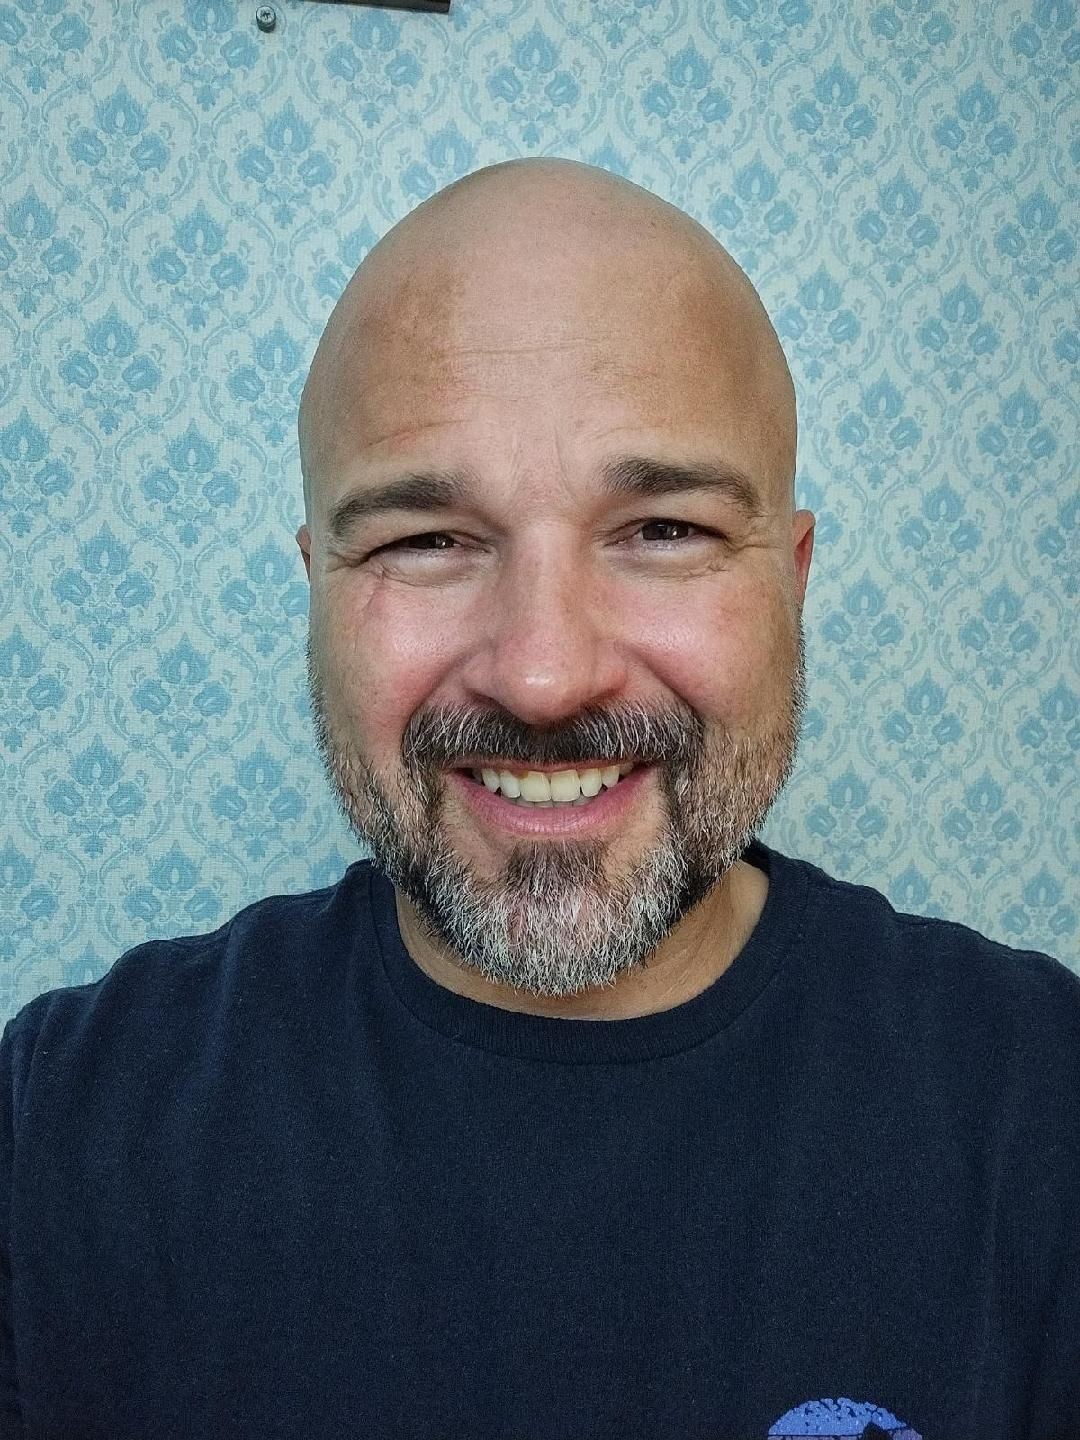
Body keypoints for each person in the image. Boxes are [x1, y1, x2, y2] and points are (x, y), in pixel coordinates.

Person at [0, 157, 1076, 1439]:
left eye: (663, 528)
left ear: (789, 579)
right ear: (319, 585)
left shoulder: (1043, 1109)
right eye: (425, 540)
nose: (546, 671)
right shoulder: (63, 1131)